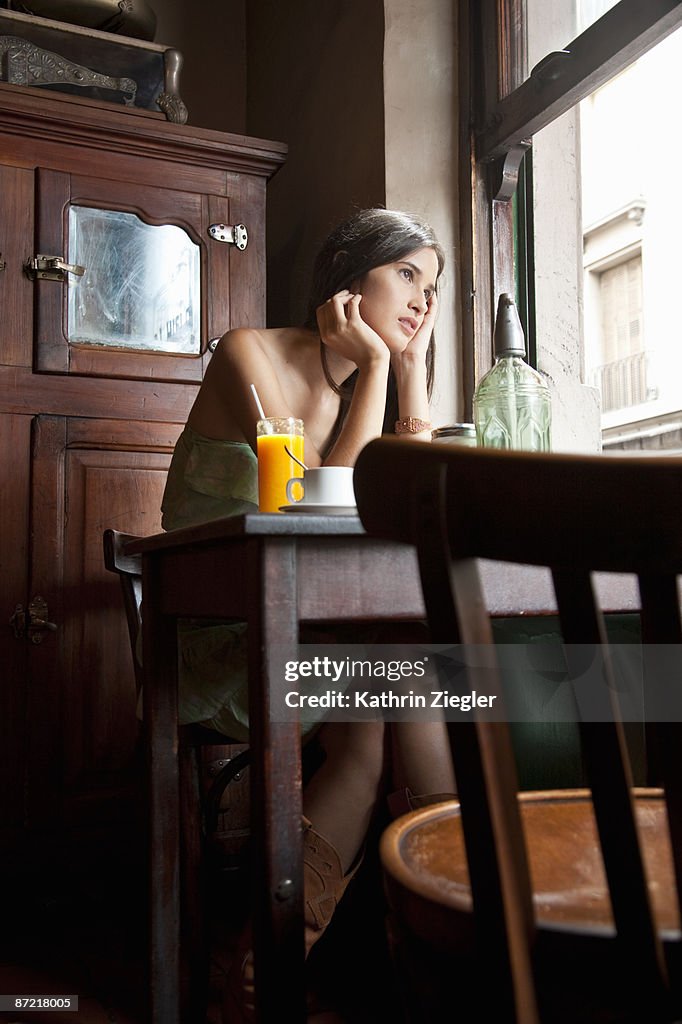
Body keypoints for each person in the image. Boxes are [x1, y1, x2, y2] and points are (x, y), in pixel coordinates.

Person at [160, 207, 456, 1018]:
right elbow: (310, 513)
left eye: (432, 292)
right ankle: (456, 952)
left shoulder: (363, 383)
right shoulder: (247, 354)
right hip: (224, 637)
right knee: (410, 683)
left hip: (312, 628)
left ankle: (272, 955)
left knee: (394, 703)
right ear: (347, 275)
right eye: (407, 276)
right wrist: (378, 365)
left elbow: (412, 508)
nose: (421, 302)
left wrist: (411, 370)